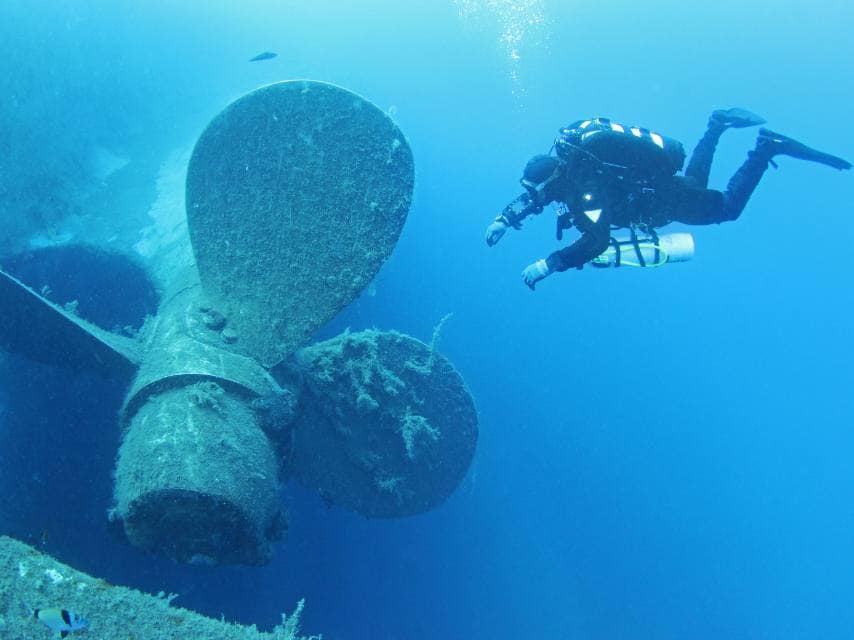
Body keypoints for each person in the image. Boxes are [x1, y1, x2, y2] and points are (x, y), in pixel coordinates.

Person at [485, 109, 851, 290]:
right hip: (660, 185)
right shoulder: (567, 165)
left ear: (557, 176)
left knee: (726, 209)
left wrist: (551, 264)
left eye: (537, 190)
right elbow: (539, 192)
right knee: (694, 180)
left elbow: (597, 242)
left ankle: (764, 149)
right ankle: (717, 124)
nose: (536, 197)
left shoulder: (587, 191)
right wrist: (505, 218)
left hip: (662, 200)